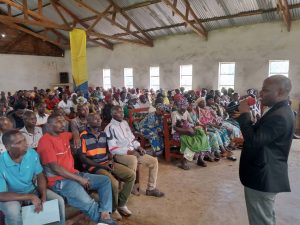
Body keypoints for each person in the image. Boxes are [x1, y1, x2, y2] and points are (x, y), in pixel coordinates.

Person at [37, 114, 118, 225]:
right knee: (89, 203)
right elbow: (56, 169)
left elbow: (76, 133)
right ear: (49, 125)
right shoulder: (45, 142)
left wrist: (75, 135)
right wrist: (79, 179)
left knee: (104, 181)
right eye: (58, 122)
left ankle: (104, 213)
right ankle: (105, 221)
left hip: (74, 174)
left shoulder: (63, 135)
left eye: (63, 121)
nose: (63, 124)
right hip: (59, 181)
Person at [235, 75, 294, 225]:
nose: (260, 93)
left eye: (266, 90)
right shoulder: (279, 110)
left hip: (263, 174)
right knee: (265, 217)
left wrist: (245, 114)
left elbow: (254, 141)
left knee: (260, 220)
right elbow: (260, 135)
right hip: (265, 172)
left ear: (280, 92)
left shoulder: (279, 115)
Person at [0, 130, 64, 225]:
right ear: (7, 147)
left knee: (58, 200)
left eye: (24, 140)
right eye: (19, 142)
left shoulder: (31, 154)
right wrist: (30, 197)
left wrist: (43, 195)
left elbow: (40, 175)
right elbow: (1, 195)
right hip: (11, 196)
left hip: (31, 190)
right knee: (12, 211)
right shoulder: (1, 163)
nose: (25, 144)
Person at [79, 113, 136, 220]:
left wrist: (110, 160)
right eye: (95, 119)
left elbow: (109, 151)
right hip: (93, 167)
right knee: (113, 183)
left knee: (131, 175)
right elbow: (83, 158)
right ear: (89, 122)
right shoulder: (83, 135)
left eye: (99, 118)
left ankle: (121, 204)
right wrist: (102, 166)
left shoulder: (103, 134)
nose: (99, 120)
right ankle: (113, 210)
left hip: (106, 163)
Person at [105, 106, 164, 197]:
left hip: (133, 151)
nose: (122, 113)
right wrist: (129, 152)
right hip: (120, 154)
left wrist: (139, 147)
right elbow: (112, 148)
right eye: (119, 112)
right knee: (133, 159)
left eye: (122, 112)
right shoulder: (109, 128)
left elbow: (132, 139)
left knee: (153, 161)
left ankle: (151, 188)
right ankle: (129, 187)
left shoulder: (124, 123)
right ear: (113, 114)